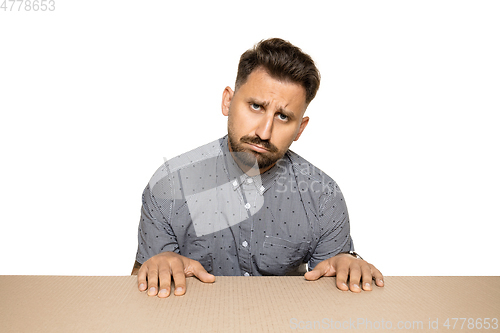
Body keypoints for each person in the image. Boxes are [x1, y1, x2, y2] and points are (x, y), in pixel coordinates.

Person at [133, 38, 384, 298]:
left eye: (283, 116)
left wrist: (347, 266)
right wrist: (157, 265)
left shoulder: (323, 196)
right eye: (256, 106)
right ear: (227, 102)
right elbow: (135, 291)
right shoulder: (170, 185)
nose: (264, 133)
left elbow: (333, 296)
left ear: (300, 128)